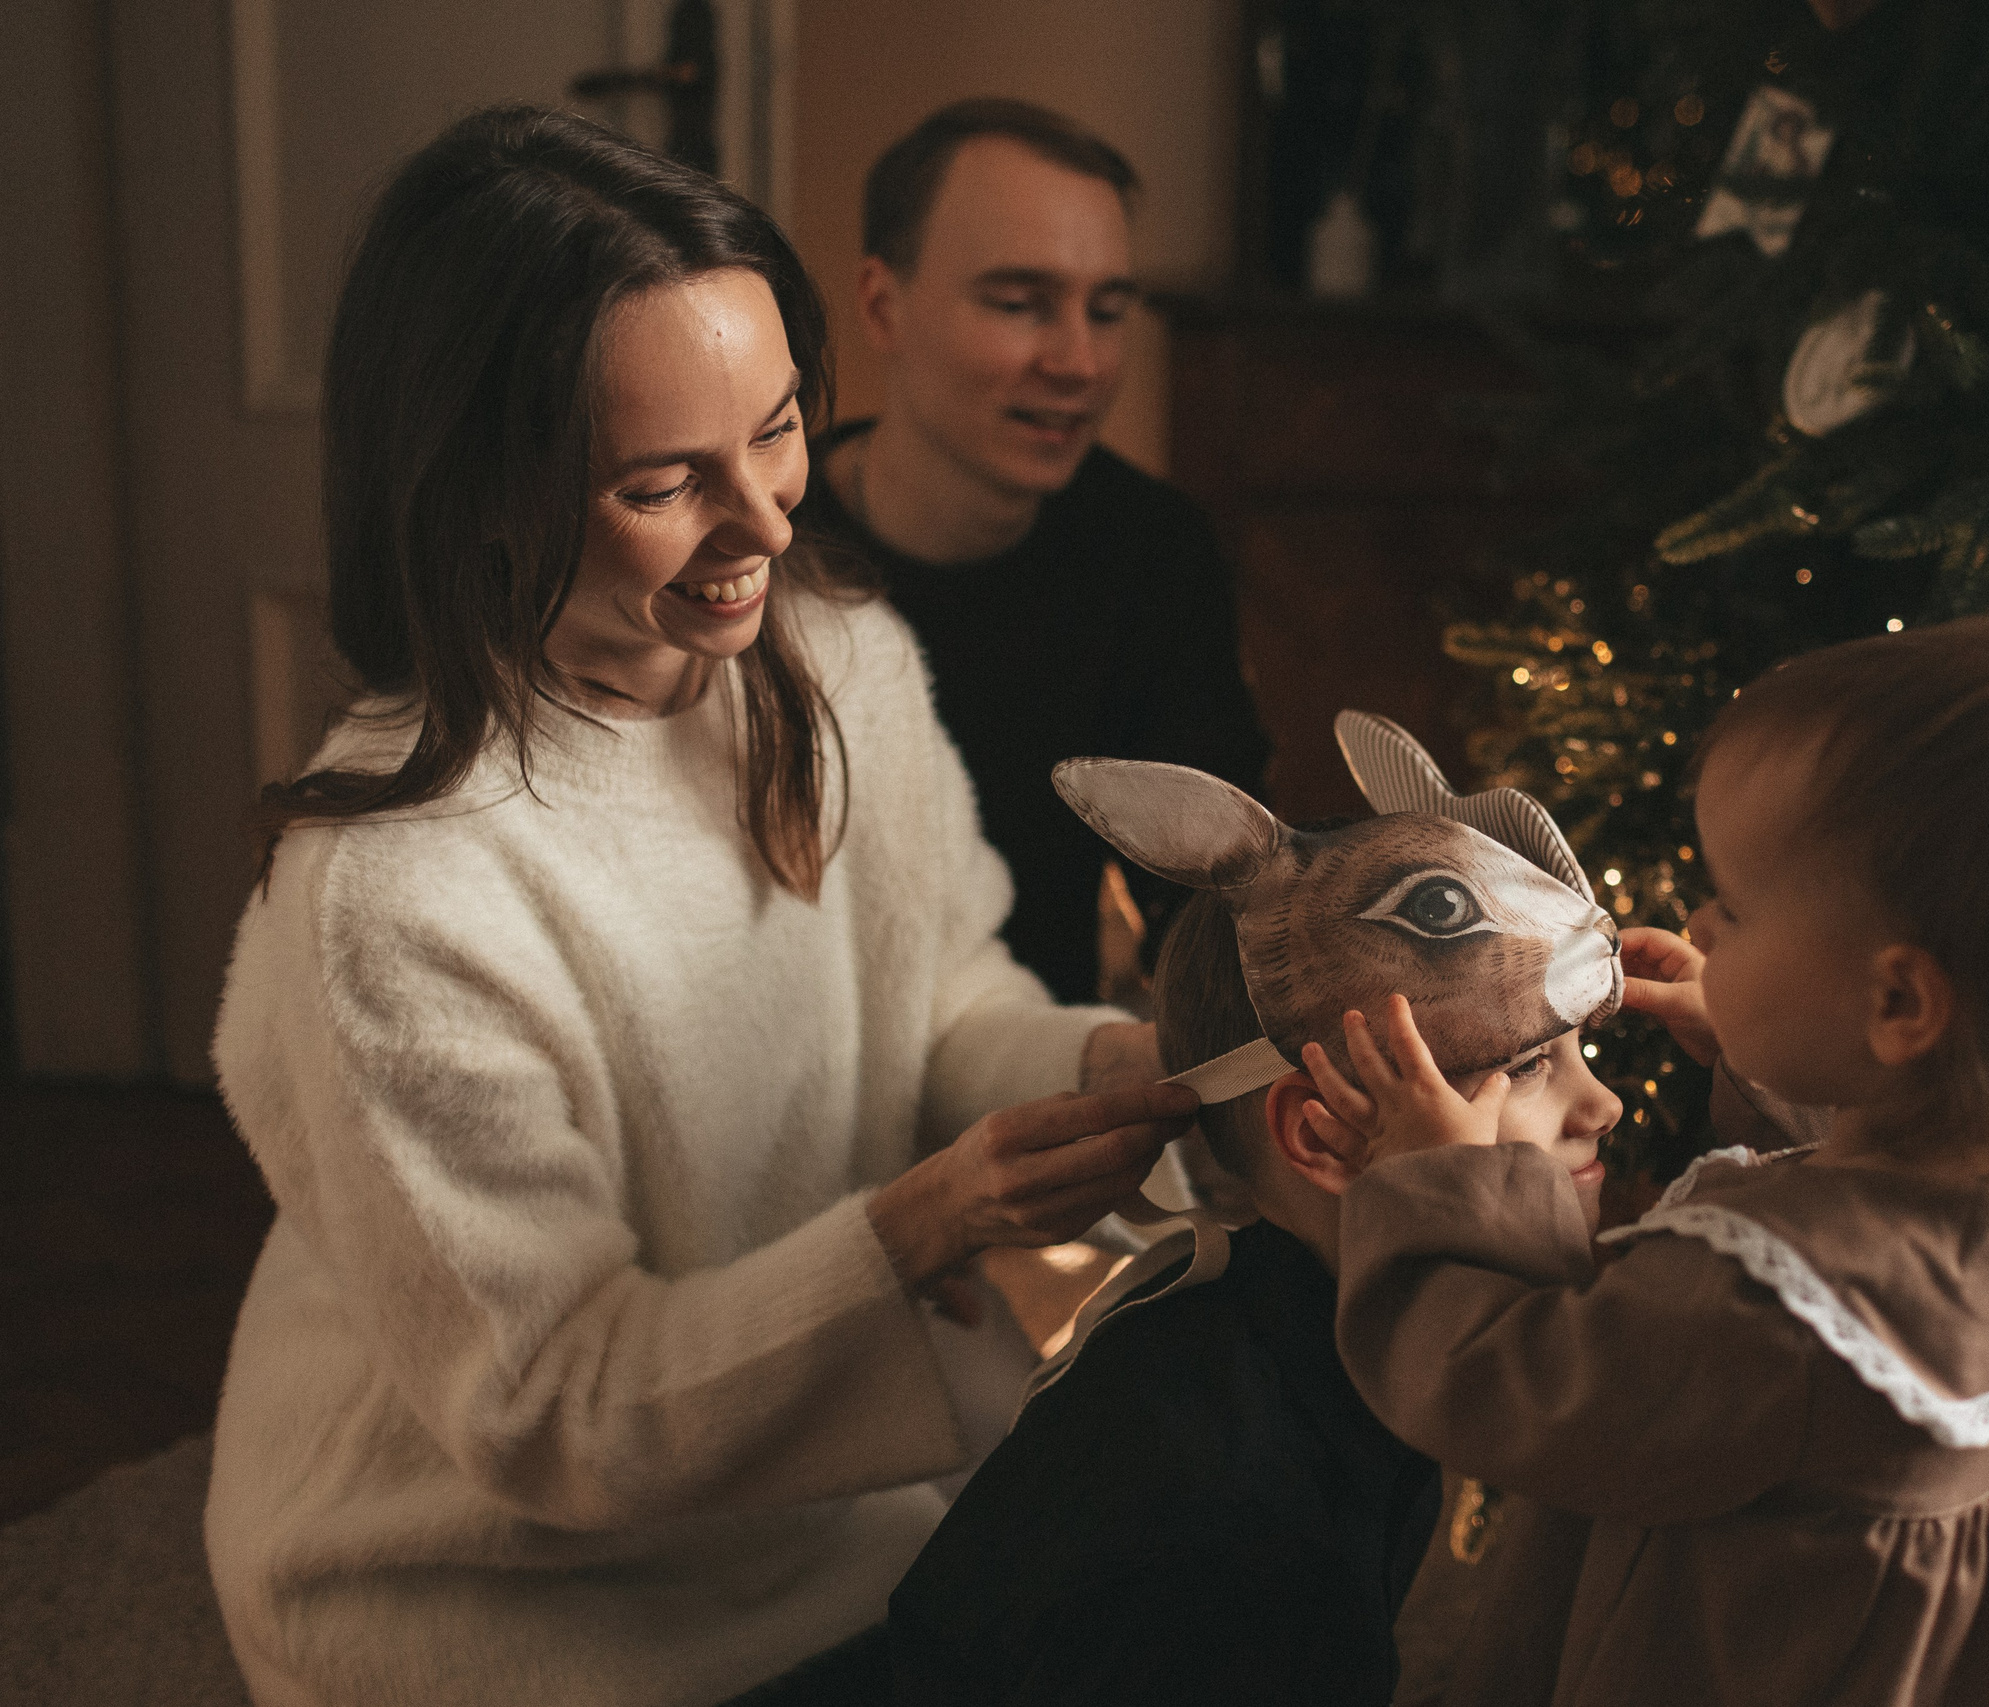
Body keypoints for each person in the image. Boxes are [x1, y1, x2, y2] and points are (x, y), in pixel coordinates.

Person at [202, 106, 1197, 1707]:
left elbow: (944, 1000)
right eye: (667, 481)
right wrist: (921, 1226)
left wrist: (1125, 1070)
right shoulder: (395, 887)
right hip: (481, 1590)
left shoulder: (842, 662)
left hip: (809, 1510)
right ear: (483, 490)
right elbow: (555, 1404)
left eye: (781, 428)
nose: (771, 524)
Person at [1310, 616, 1989, 1706]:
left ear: (1897, 1003)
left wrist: (1437, 1182)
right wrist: (1779, 1050)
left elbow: (1504, 1387)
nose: (1703, 923)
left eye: (1737, 907)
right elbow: (1889, 1177)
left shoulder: (1763, 1305)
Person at [784, 882, 1619, 1706]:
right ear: (1323, 1134)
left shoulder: (1321, 1354)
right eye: (1527, 1064)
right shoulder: (1248, 1544)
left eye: (1582, 1051)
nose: (1604, 1105)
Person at [793, 98, 1270, 1005]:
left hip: (1041, 1060)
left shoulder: (1153, 552)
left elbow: (1216, 901)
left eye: (1108, 310)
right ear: (883, 306)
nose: (1080, 362)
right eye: (1020, 305)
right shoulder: (759, 547)